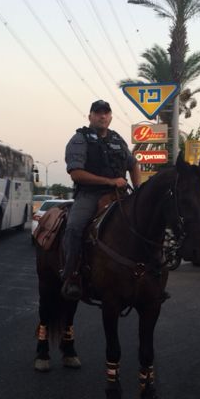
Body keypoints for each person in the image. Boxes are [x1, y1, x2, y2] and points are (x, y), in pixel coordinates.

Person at [61, 100, 141, 300]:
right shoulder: (80, 139)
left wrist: (138, 191)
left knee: (145, 223)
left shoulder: (117, 139)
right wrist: (110, 181)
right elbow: (76, 173)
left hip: (120, 195)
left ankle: (149, 276)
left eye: (106, 113)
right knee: (74, 228)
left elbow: (133, 164)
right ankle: (71, 276)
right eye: (98, 113)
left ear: (110, 117)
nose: (102, 116)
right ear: (90, 117)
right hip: (90, 195)